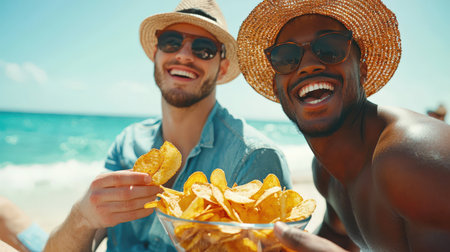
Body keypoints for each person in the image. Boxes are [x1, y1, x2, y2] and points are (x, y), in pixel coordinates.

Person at [44, 0, 292, 251]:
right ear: (156, 53)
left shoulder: (254, 157)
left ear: (222, 68)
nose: (183, 55)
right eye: (171, 42)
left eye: (203, 49)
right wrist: (82, 217)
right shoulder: (128, 143)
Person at [237, 0, 450, 251]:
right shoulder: (327, 173)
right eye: (287, 57)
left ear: (362, 71)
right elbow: (337, 238)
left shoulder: (411, 157)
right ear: (277, 88)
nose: (308, 65)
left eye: (329, 48)